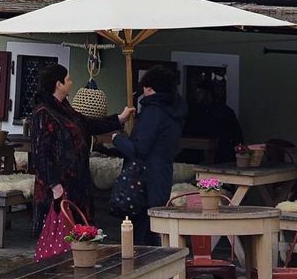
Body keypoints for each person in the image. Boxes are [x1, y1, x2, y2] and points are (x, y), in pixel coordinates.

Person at [31, 63, 130, 237]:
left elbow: (87, 125)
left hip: (76, 183)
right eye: (68, 79)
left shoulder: (65, 109)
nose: (71, 82)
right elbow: (42, 153)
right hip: (58, 186)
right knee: (60, 233)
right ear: (58, 84)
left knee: (80, 232)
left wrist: (119, 119)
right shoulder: (43, 113)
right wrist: (55, 185)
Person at [111, 64, 186, 245]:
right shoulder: (174, 111)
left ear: (150, 88)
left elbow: (139, 150)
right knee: (153, 234)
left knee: (139, 239)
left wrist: (117, 139)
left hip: (143, 183)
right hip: (161, 178)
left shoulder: (153, 112)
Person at [184, 80, 243, 163]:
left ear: (208, 94)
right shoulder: (194, 111)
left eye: (200, 93)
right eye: (197, 93)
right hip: (197, 154)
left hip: (221, 155)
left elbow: (236, 135)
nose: (197, 96)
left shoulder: (224, 112)